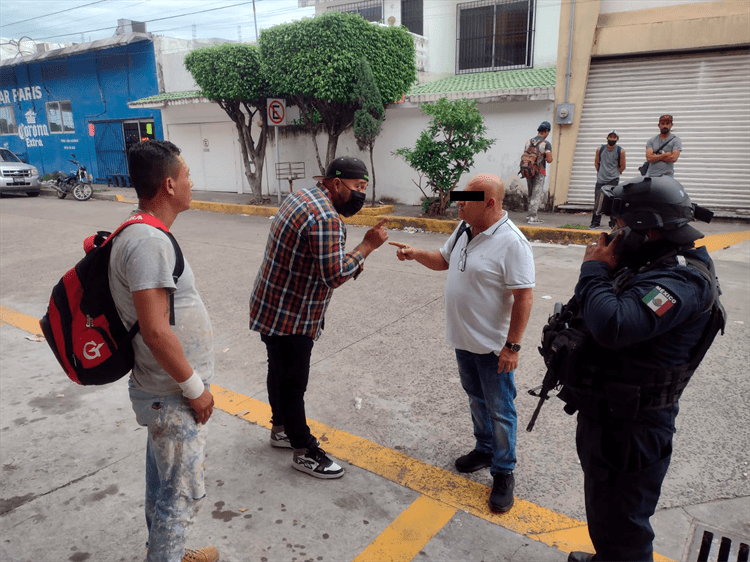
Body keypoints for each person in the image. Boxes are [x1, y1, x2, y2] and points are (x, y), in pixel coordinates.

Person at [556, 176, 722, 562]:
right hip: (612, 414)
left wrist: (594, 271)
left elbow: (614, 325)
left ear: (647, 232)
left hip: (633, 429)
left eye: (619, 226)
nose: (613, 233)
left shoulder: (681, 279)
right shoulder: (652, 260)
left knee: (626, 527)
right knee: (607, 513)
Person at [389, 173, 535, 513]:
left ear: (490, 204)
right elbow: (443, 261)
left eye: (465, 202)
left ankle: (503, 470)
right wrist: (414, 254)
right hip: (463, 340)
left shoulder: (513, 243)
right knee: (475, 398)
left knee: (501, 409)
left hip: (493, 347)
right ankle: (484, 449)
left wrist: (512, 347)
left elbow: (524, 298)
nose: (458, 207)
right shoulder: (464, 230)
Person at [110, 140, 219, 562]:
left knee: (161, 488)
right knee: (179, 499)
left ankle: (166, 552)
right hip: (170, 395)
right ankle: (168, 552)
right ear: (170, 185)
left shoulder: (143, 231)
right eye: (188, 175)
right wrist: (194, 388)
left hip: (160, 389)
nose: (192, 182)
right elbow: (156, 332)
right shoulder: (148, 242)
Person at [249, 156, 388, 479]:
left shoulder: (301, 196)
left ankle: (280, 428)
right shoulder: (326, 217)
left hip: (271, 302)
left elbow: (316, 257)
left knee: (278, 372)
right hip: (293, 314)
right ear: (336, 184)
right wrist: (367, 246)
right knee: (294, 382)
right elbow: (335, 275)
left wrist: (348, 258)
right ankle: (303, 450)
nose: (360, 195)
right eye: (358, 187)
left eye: (364, 188)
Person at [590, 130, 626, 229]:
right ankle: (595, 222)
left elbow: (622, 166)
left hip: (613, 180)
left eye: (614, 137)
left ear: (617, 139)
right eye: (610, 137)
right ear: (607, 138)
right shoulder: (600, 149)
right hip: (601, 179)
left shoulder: (620, 151)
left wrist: (615, 174)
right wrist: (601, 173)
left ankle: (613, 223)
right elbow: (597, 163)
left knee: (613, 201)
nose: (612, 139)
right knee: (598, 201)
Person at [525, 121, 553, 224]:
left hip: (528, 170)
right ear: (546, 131)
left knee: (530, 193)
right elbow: (549, 160)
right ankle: (532, 217)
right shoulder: (546, 144)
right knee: (536, 194)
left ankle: (529, 216)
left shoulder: (528, 142)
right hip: (539, 172)